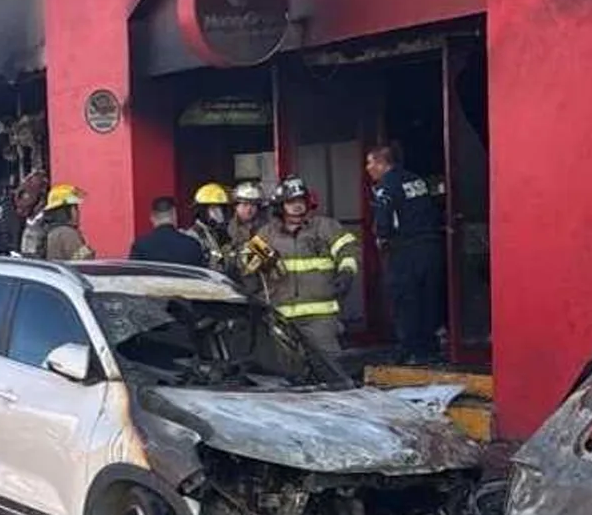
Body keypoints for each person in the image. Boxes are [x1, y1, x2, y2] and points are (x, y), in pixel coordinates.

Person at [250, 177, 360, 359]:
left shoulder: (326, 227)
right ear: (281, 205)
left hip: (320, 317)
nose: (297, 206)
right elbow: (245, 263)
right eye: (291, 201)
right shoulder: (266, 233)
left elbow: (348, 250)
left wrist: (346, 272)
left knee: (329, 365)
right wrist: (263, 260)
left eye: (300, 200)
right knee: (285, 367)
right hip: (281, 315)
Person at [366, 144, 446, 365]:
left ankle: (409, 349)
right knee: (428, 297)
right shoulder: (416, 180)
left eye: (370, 162)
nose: (367, 168)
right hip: (430, 246)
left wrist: (381, 237)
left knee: (405, 300)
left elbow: (384, 219)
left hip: (405, 250)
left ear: (381, 163)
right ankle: (429, 348)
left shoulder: (386, 185)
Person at [129, 196, 210, 267]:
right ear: (175, 216)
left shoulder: (140, 246)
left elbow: (133, 275)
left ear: (152, 218)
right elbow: (201, 276)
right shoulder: (192, 245)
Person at [22, 184, 92, 261]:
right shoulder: (67, 233)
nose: (77, 212)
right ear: (67, 210)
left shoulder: (49, 230)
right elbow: (84, 262)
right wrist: (88, 250)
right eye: (75, 208)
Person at [186, 183, 237, 272]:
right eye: (214, 208)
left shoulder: (221, 234)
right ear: (202, 211)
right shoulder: (193, 236)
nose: (219, 214)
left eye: (221, 209)